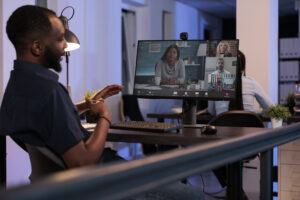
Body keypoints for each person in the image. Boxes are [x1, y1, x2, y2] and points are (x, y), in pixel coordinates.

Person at [0, 5, 125, 169]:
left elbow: (48, 118)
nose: (66, 45)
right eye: (60, 39)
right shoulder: (50, 91)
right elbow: (83, 162)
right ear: (37, 47)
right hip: (100, 177)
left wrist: (87, 105)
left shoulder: (17, 85)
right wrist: (104, 115)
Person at [208, 50, 274, 116]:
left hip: (222, 125)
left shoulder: (216, 83)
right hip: (247, 125)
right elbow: (272, 109)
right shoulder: (251, 82)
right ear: (243, 68)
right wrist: (252, 111)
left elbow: (211, 111)